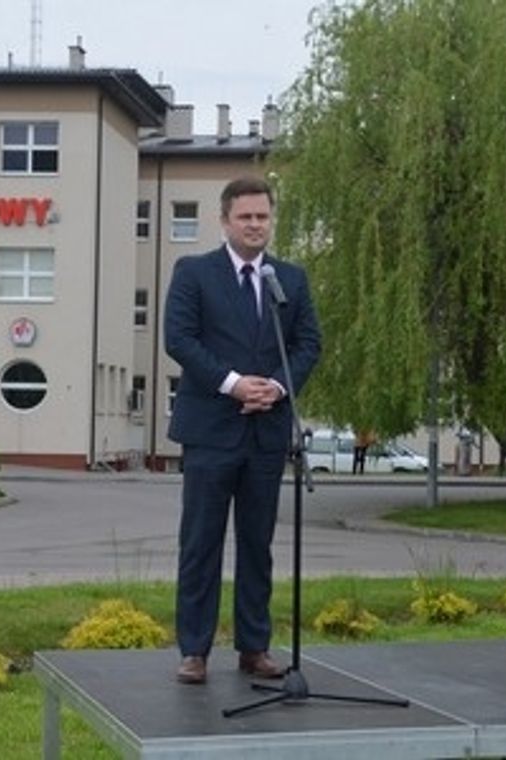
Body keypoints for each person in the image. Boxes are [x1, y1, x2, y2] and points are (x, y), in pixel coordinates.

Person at [164, 176, 322, 685]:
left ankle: (255, 647)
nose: (256, 225)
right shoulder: (194, 273)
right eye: (246, 217)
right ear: (225, 220)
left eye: (263, 216)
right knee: (201, 543)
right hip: (212, 430)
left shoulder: (289, 280)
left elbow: (307, 344)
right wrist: (232, 384)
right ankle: (194, 651)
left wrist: (276, 387)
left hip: (266, 433)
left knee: (258, 544)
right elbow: (179, 339)